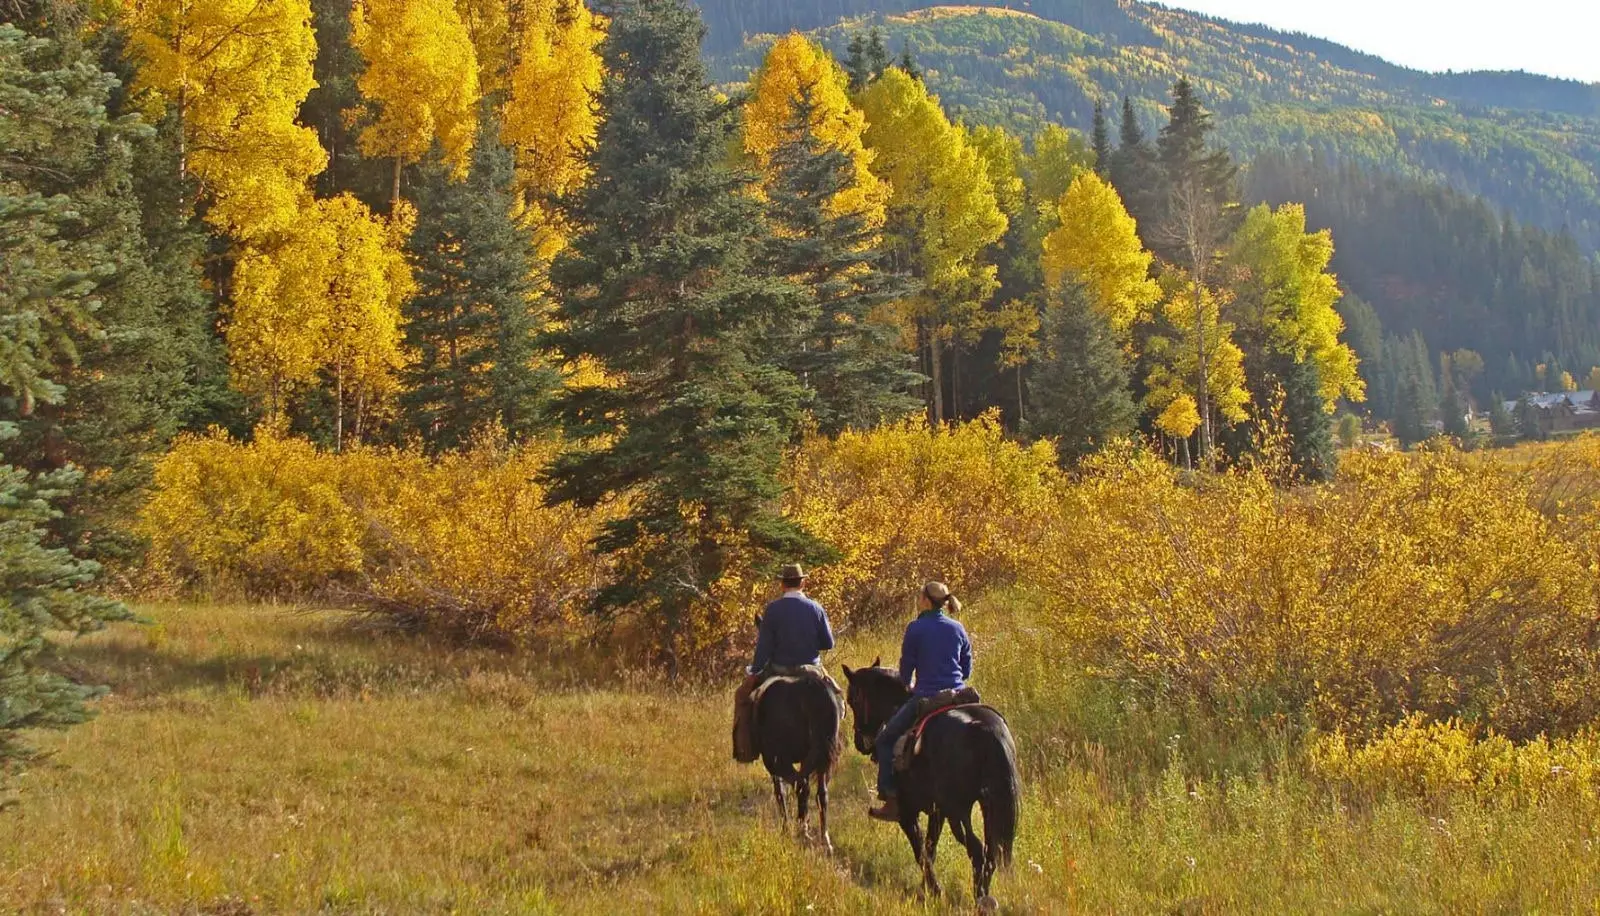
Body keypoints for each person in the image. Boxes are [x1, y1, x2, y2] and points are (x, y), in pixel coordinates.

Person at [868, 580, 972, 822]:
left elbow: (906, 670)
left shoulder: (916, 628)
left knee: (884, 741)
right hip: (958, 696)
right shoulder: (958, 628)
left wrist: (908, 684)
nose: (917, 600)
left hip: (927, 695)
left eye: (919, 596)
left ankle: (890, 799)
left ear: (926, 601)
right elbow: (966, 668)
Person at [732, 563, 836, 763]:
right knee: (837, 698)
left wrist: (754, 671)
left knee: (743, 696)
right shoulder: (816, 608)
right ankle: (835, 736)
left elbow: (763, 648)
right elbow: (828, 643)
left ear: (782, 584)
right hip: (811, 670)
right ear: (803, 583)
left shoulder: (772, 610)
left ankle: (745, 750)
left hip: (779, 668)